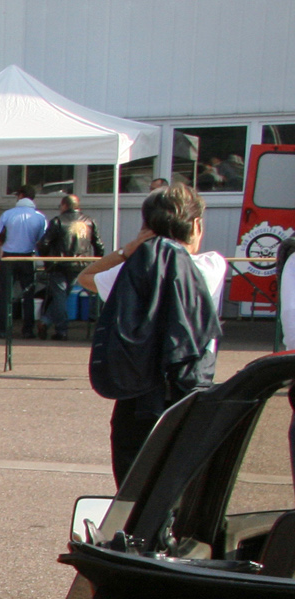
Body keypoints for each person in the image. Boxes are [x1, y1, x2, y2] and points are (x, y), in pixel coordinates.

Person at [79, 183, 223, 484]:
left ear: (147, 228)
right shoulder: (210, 267)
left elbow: (85, 277)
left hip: (137, 393)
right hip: (187, 393)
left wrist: (127, 251)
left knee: (133, 489)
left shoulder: (129, 273)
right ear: (195, 225)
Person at [36, 193, 101, 340]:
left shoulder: (58, 221)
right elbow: (98, 244)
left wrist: (47, 261)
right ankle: (46, 322)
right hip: (81, 264)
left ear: (65, 206)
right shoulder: (89, 221)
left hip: (59, 264)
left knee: (60, 297)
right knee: (63, 297)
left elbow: (44, 243)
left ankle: (61, 330)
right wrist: (97, 262)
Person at [0, 185, 49, 338]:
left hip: (9, 257)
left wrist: (5, 244)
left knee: (5, 294)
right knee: (28, 295)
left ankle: (2, 330)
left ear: (21, 195)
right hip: (27, 257)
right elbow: (42, 241)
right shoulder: (40, 217)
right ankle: (27, 330)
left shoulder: (8, 214)